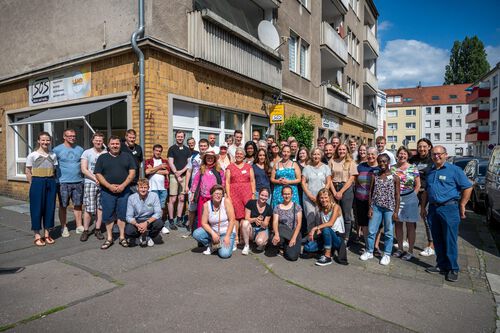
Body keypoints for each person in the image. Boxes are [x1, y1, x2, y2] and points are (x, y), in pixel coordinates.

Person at [421, 146, 472, 282]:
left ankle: (453, 268)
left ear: (445, 155)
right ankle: (441, 265)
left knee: (450, 240)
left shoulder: (454, 170)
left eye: (439, 154)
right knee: (437, 239)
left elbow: (467, 187)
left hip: (449, 209)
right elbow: (426, 190)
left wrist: (462, 204)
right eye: (433, 154)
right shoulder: (431, 171)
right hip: (433, 209)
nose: (436, 156)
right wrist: (422, 207)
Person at [94, 136, 136, 250]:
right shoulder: (102, 157)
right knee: (108, 215)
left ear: (120, 144)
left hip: (124, 191)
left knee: (122, 214)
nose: (115, 145)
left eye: (117, 143)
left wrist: (123, 185)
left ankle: (122, 237)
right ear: (108, 145)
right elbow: (98, 174)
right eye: (112, 144)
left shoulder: (127, 156)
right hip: (107, 191)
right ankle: (109, 238)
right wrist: (109, 186)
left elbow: (132, 172)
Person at [360, 154, 400, 266]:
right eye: (380, 162)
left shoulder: (395, 177)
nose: (382, 164)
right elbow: (370, 193)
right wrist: (370, 207)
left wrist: (396, 211)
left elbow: (397, 195)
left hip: (389, 208)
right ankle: (369, 251)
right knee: (372, 231)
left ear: (388, 162)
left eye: (384, 161)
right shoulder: (375, 176)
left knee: (388, 232)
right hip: (376, 207)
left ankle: (387, 254)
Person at [26, 132, 58, 246]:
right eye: (43, 140)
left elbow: (54, 170)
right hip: (37, 182)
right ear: (38, 141)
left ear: (50, 141)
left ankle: (47, 234)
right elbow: (28, 171)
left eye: (47, 140)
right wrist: (32, 184)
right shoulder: (32, 155)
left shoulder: (53, 155)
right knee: (36, 208)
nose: (45, 142)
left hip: (50, 181)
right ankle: (37, 235)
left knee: (50, 207)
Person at [53, 128, 84, 237]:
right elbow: (53, 166)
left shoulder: (80, 149)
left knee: (78, 205)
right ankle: (63, 227)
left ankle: (79, 225)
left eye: (73, 136)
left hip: (78, 181)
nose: (72, 138)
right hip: (63, 183)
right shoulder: (56, 150)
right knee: (63, 206)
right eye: (69, 136)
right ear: (64, 137)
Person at [392, 146, 420, 261]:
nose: (402, 156)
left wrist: (413, 196)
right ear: (397, 155)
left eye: (404, 154)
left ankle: (410, 251)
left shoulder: (413, 168)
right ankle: (399, 248)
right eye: (400, 154)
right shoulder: (392, 168)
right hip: (396, 199)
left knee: (410, 225)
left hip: (410, 198)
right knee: (398, 224)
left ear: (407, 156)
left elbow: (418, 185)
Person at [193, 185, 236, 258]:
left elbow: (232, 220)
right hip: (214, 231)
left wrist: (227, 236)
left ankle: (227, 244)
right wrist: (213, 233)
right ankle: (212, 245)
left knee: (224, 254)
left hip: (227, 231)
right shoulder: (206, 205)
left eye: (220, 194)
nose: (218, 196)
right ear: (211, 194)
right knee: (196, 233)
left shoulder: (226, 201)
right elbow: (204, 223)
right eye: (216, 193)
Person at [409, 138, 435, 257]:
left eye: (424, 146)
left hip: (427, 193)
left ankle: (431, 245)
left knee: (426, 218)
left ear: (429, 147)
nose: (422, 149)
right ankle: (409, 240)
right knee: (411, 217)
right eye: (420, 146)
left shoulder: (433, 160)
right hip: (414, 192)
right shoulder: (413, 159)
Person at [226, 147, 256, 247]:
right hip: (234, 194)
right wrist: (228, 195)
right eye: (237, 154)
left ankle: (243, 237)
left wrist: (253, 194)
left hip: (246, 194)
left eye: (241, 154)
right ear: (235, 155)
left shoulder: (248, 167)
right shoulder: (230, 167)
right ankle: (236, 238)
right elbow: (227, 182)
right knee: (235, 216)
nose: (239, 155)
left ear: (244, 156)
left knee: (244, 216)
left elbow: (252, 181)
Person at [309, 189, 348, 266]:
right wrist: (319, 230)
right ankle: (328, 250)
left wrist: (315, 228)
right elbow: (324, 224)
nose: (324, 200)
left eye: (326, 197)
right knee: (308, 248)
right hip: (327, 236)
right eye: (321, 198)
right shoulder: (321, 208)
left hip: (337, 237)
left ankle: (327, 257)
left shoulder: (336, 207)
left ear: (330, 197)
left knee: (326, 229)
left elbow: (330, 223)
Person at [80, 132, 107, 241]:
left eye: (100, 140)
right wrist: (95, 178)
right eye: (96, 140)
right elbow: (84, 169)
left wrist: (102, 181)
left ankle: (97, 229)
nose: (98, 142)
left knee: (100, 208)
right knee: (89, 208)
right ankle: (86, 230)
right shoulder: (87, 152)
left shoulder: (105, 153)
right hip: (90, 183)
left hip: (102, 184)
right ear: (93, 140)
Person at [329, 144, 358, 242]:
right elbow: (329, 178)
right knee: (334, 213)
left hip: (346, 189)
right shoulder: (332, 161)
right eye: (340, 149)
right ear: (337, 150)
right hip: (333, 187)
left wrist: (340, 192)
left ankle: (346, 238)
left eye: (344, 149)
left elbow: (351, 179)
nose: (341, 151)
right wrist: (334, 191)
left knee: (346, 215)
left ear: (347, 151)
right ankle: (335, 235)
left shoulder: (351, 162)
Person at [190, 150, 225, 228]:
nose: (210, 159)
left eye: (211, 158)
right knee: (202, 215)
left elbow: (223, 183)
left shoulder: (219, 170)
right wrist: (193, 194)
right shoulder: (201, 169)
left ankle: (213, 232)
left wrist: (223, 193)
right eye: (208, 158)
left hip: (215, 198)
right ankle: (201, 232)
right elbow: (195, 182)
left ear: (214, 159)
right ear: (205, 159)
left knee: (213, 216)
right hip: (203, 197)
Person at [125, 179, 164, 247]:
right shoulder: (131, 198)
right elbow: (128, 217)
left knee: (159, 223)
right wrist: (137, 225)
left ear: (148, 188)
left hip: (149, 220)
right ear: (137, 188)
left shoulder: (154, 196)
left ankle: (149, 235)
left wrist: (146, 223)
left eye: (145, 187)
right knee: (128, 230)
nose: (143, 190)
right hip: (138, 221)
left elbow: (158, 213)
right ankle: (140, 235)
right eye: (141, 187)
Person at [301, 148, 331, 233]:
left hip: (322, 198)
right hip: (308, 197)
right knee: (310, 218)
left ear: (321, 155)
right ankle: (310, 238)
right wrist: (310, 196)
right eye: (314, 154)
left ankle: (319, 238)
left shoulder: (326, 167)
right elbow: (303, 183)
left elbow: (328, 182)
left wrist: (323, 195)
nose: (316, 156)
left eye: (318, 154)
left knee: (320, 218)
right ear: (311, 155)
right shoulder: (307, 168)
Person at [354, 147, 379, 248]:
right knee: (364, 223)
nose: (370, 156)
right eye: (368, 154)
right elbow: (356, 181)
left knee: (376, 224)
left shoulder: (380, 168)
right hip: (361, 199)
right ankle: (368, 245)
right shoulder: (361, 166)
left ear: (377, 155)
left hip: (375, 201)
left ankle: (375, 246)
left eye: (373, 154)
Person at [167, 130, 191, 230]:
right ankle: (171, 221)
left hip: (184, 175)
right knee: (173, 199)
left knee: (181, 198)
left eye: (181, 136)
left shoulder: (187, 149)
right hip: (173, 175)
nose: (180, 138)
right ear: (175, 137)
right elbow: (170, 162)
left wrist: (181, 172)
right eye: (178, 136)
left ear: (184, 137)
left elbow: (189, 164)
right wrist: (177, 174)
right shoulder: (172, 149)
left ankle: (179, 219)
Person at [271, 186, 302, 261]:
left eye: (288, 194)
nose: (287, 196)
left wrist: (294, 238)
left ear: (291, 195)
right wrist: (276, 234)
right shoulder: (277, 207)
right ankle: (281, 244)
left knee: (293, 257)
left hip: (294, 232)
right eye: (285, 194)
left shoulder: (297, 207)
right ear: (282, 195)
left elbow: (299, 224)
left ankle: (285, 247)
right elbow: (275, 222)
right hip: (282, 231)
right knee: (274, 237)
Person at [185, 139, 209, 232]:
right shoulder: (193, 157)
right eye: (201, 146)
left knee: (205, 208)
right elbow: (189, 171)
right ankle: (191, 228)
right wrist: (186, 185)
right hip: (194, 187)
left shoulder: (210, 156)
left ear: (207, 146)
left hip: (205, 188)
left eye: (204, 146)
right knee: (192, 208)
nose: (202, 147)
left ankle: (205, 228)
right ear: (198, 146)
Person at [145, 144, 170, 234]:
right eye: (156, 150)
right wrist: (159, 167)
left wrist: (153, 170)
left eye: (159, 151)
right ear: (153, 151)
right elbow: (147, 171)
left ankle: (160, 225)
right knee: (151, 207)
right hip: (152, 188)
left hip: (163, 188)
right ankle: (151, 225)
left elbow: (167, 171)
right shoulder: (148, 161)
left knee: (161, 207)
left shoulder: (164, 161)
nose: (158, 152)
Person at [241, 188, 273, 255]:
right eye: (262, 195)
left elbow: (266, 224)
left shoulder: (269, 208)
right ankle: (246, 245)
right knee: (244, 223)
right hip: (251, 229)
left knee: (260, 241)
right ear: (258, 194)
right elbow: (246, 218)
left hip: (261, 229)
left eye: (266, 196)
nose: (263, 197)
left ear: (268, 197)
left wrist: (261, 222)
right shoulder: (251, 203)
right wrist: (255, 219)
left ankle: (262, 244)